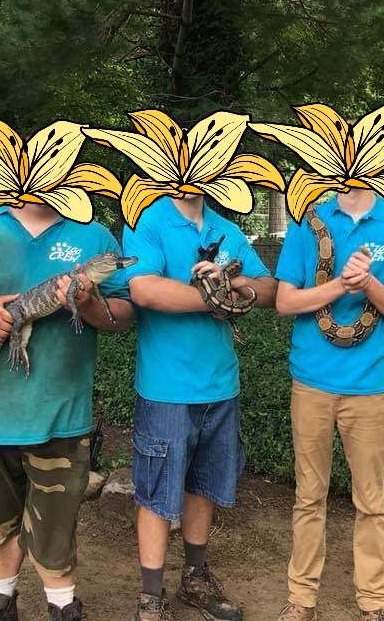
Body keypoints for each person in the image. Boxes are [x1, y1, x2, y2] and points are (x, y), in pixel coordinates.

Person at [0, 201, 134, 621]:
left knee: (56, 523)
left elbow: (124, 314)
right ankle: (0, 603)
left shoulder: (92, 234)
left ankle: (63, 606)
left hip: (60, 413)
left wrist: (87, 303)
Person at [121, 195, 277, 621]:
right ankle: (150, 597)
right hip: (166, 388)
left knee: (203, 488)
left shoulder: (226, 229)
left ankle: (194, 579)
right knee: (156, 493)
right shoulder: (146, 221)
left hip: (220, 385)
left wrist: (231, 283)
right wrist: (217, 295)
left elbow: (269, 289)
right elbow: (144, 289)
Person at [273, 188, 384, 621]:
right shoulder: (307, 220)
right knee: (308, 496)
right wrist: (341, 284)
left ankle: (374, 602)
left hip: (369, 386)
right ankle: (301, 599)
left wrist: (369, 282)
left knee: (372, 501)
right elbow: (285, 301)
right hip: (311, 382)